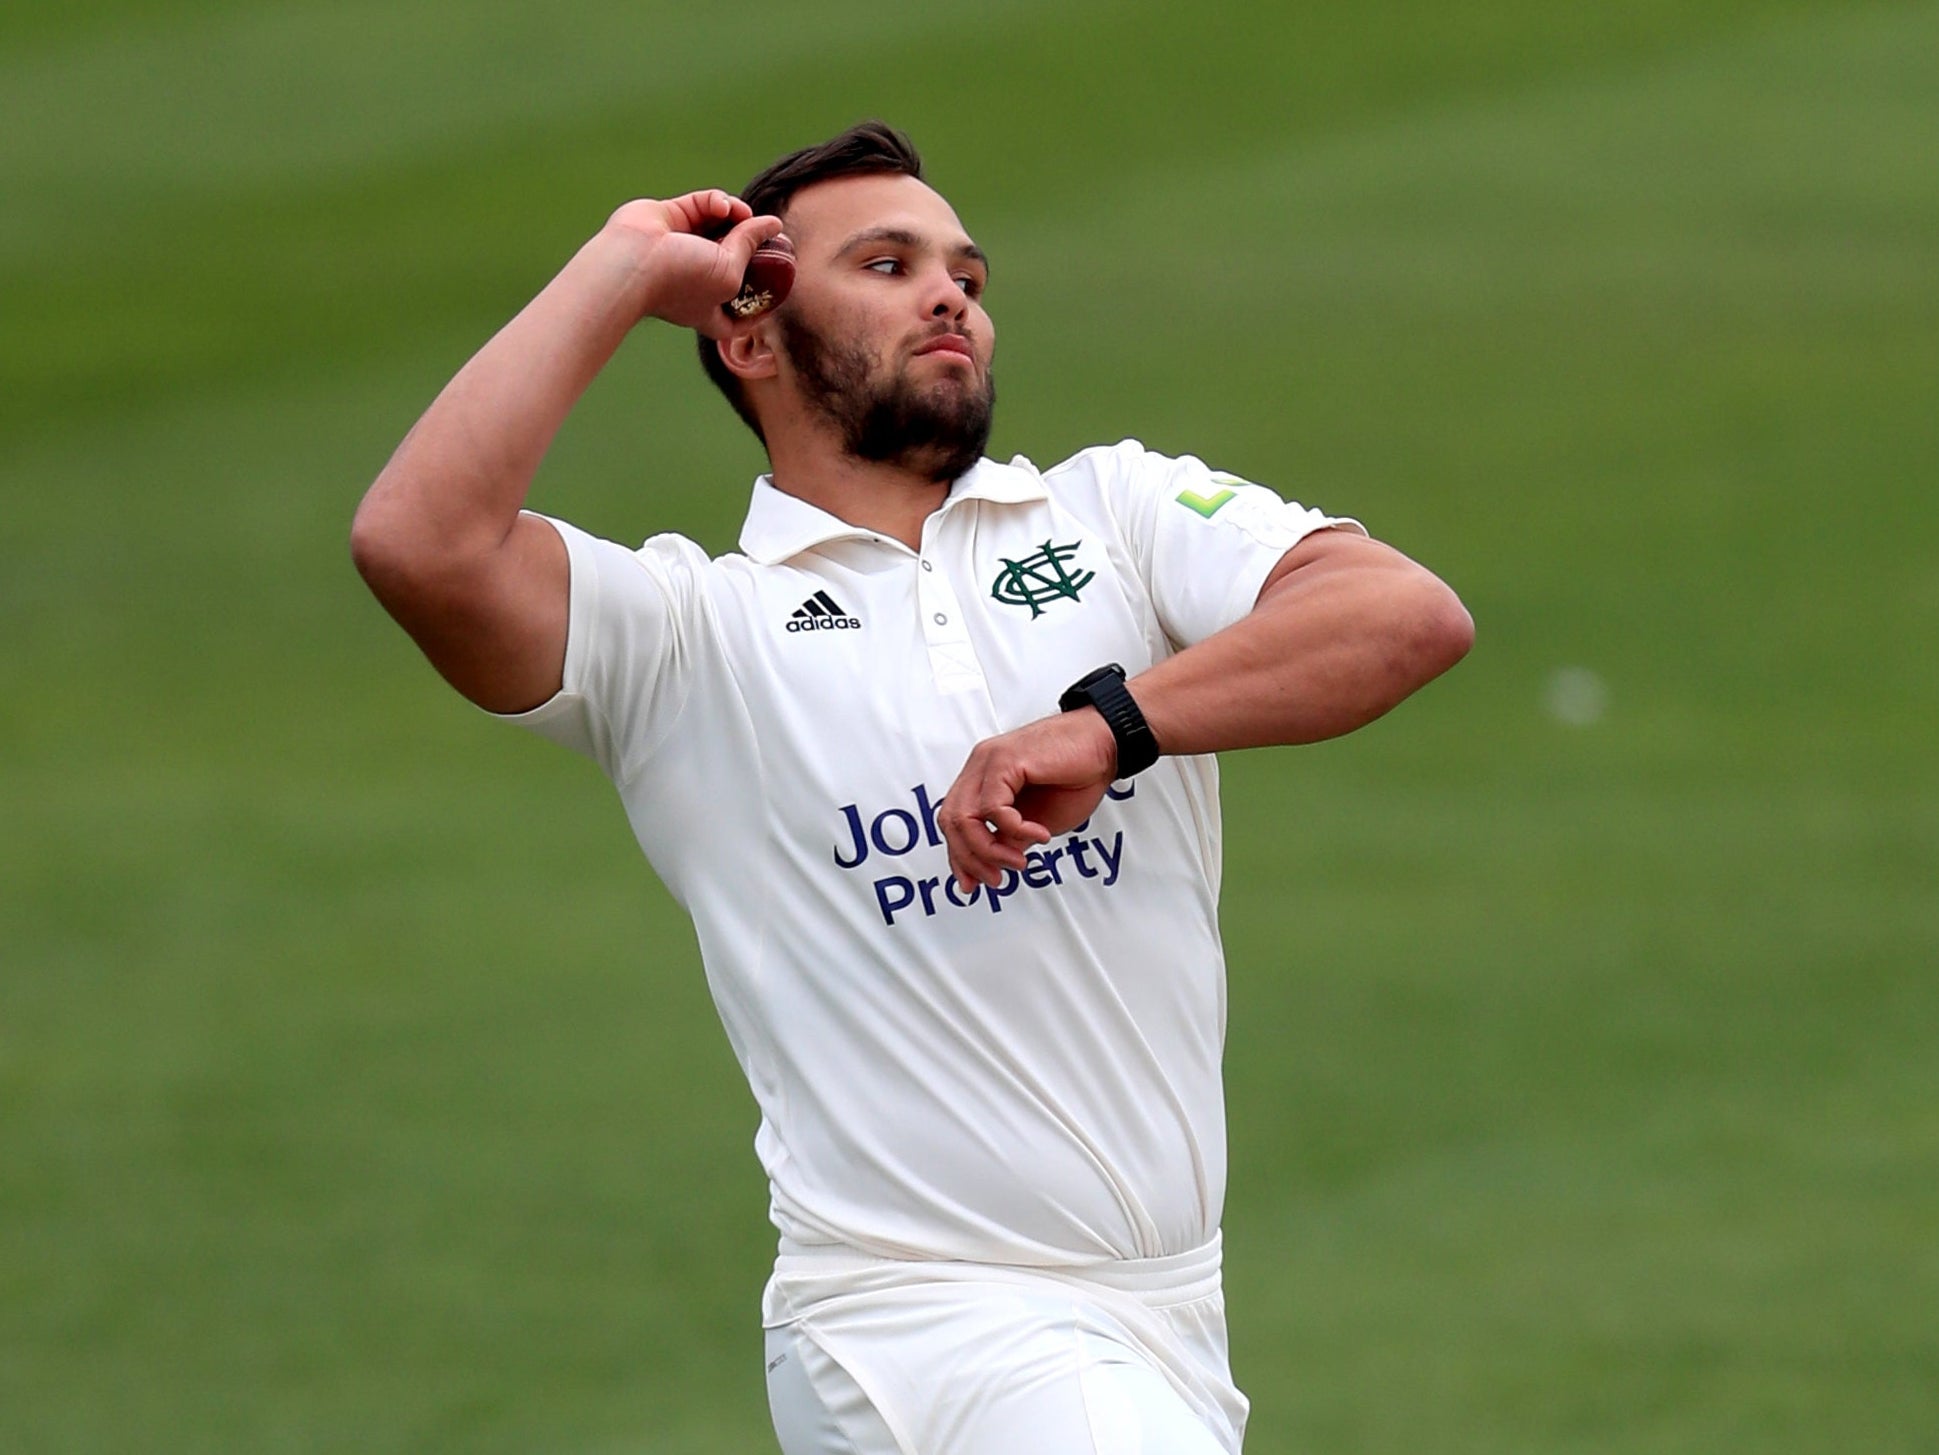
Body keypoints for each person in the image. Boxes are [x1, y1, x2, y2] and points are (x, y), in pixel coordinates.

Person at [350, 120, 1472, 1455]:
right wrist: (624, 270)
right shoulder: (686, 635)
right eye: (887, 264)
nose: (949, 294)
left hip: (1167, 1312)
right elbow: (419, 546)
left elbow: (1403, 615)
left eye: (966, 274)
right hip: (921, 1324)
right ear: (748, 333)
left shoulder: (1114, 515)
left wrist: (1111, 725)